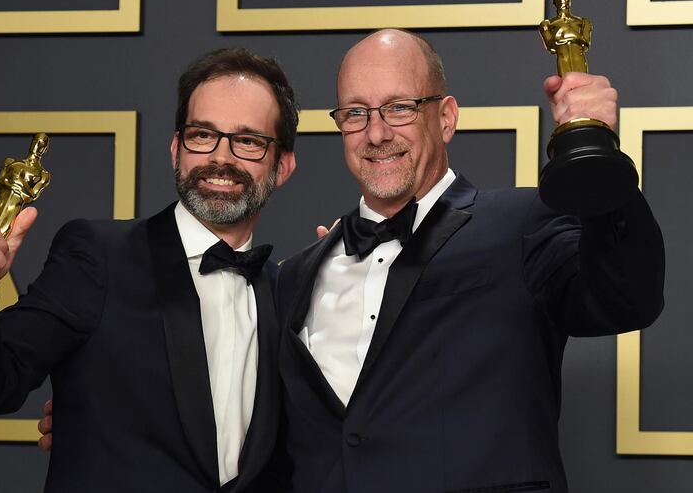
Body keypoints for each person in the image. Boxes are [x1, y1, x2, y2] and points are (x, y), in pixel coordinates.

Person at [272, 29, 663, 492]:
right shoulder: (294, 277)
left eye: (399, 107)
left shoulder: (524, 223)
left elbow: (625, 297)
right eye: (356, 113)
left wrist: (595, 149)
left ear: (446, 118)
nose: (376, 133)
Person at [0, 47, 297, 493]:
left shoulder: (289, 293)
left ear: (282, 166)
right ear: (175, 149)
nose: (220, 157)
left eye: (249, 140)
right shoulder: (98, 256)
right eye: (202, 135)